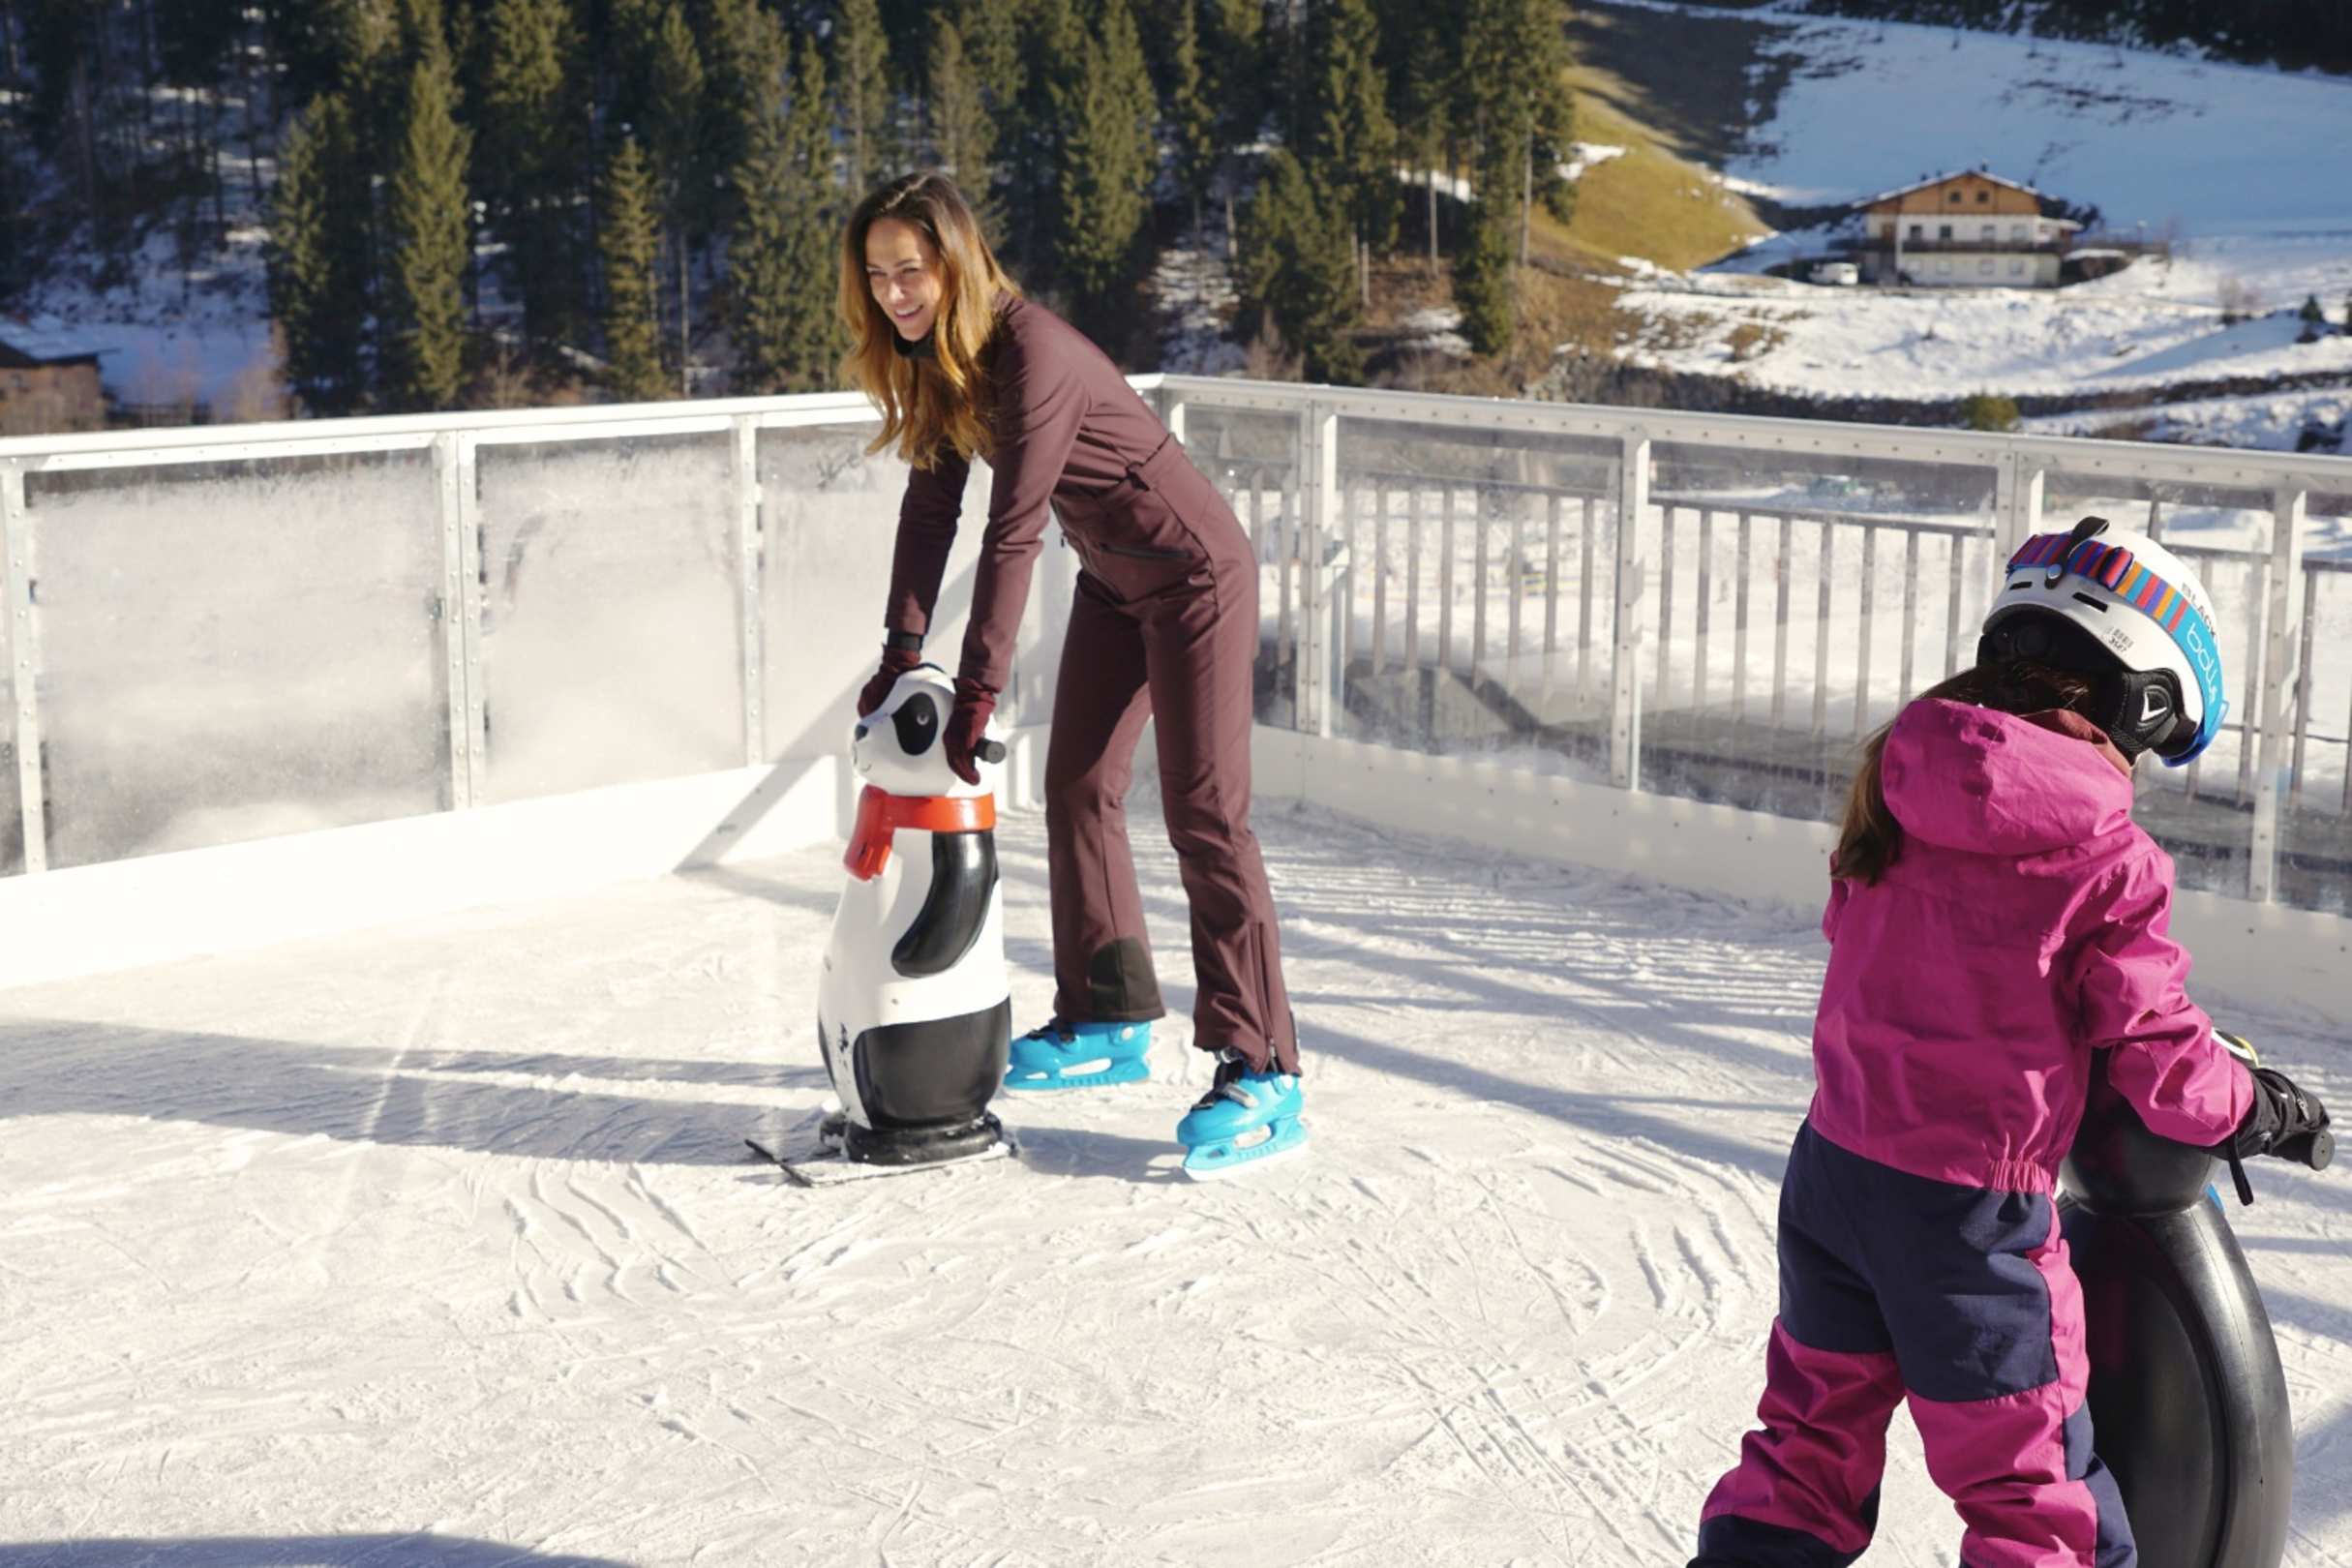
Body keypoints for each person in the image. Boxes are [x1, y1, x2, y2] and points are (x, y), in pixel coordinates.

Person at [1691, 516, 2331, 1566]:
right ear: (2139, 700)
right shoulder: (2111, 858)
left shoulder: (1897, 783)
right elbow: (2159, 1056)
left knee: (1805, 1453)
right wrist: (2258, 1106)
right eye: (2148, 742)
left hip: (1833, 1175)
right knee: (2036, 1503)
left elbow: (1875, 943)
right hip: (1972, 1222)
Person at [837, 171, 1305, 1179]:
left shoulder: (1034, 354)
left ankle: (1264, 1062)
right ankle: (1108, 1013)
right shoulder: (944, 359)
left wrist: (977, 692)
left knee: (1205, 813)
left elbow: (1011, 531)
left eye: (909, 271)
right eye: (876, 276)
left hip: (1195, 575)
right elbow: (932, 509)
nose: (893, 294)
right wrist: (900, 652)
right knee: (1078, 786)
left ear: (957, 262)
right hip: (1114, 578)